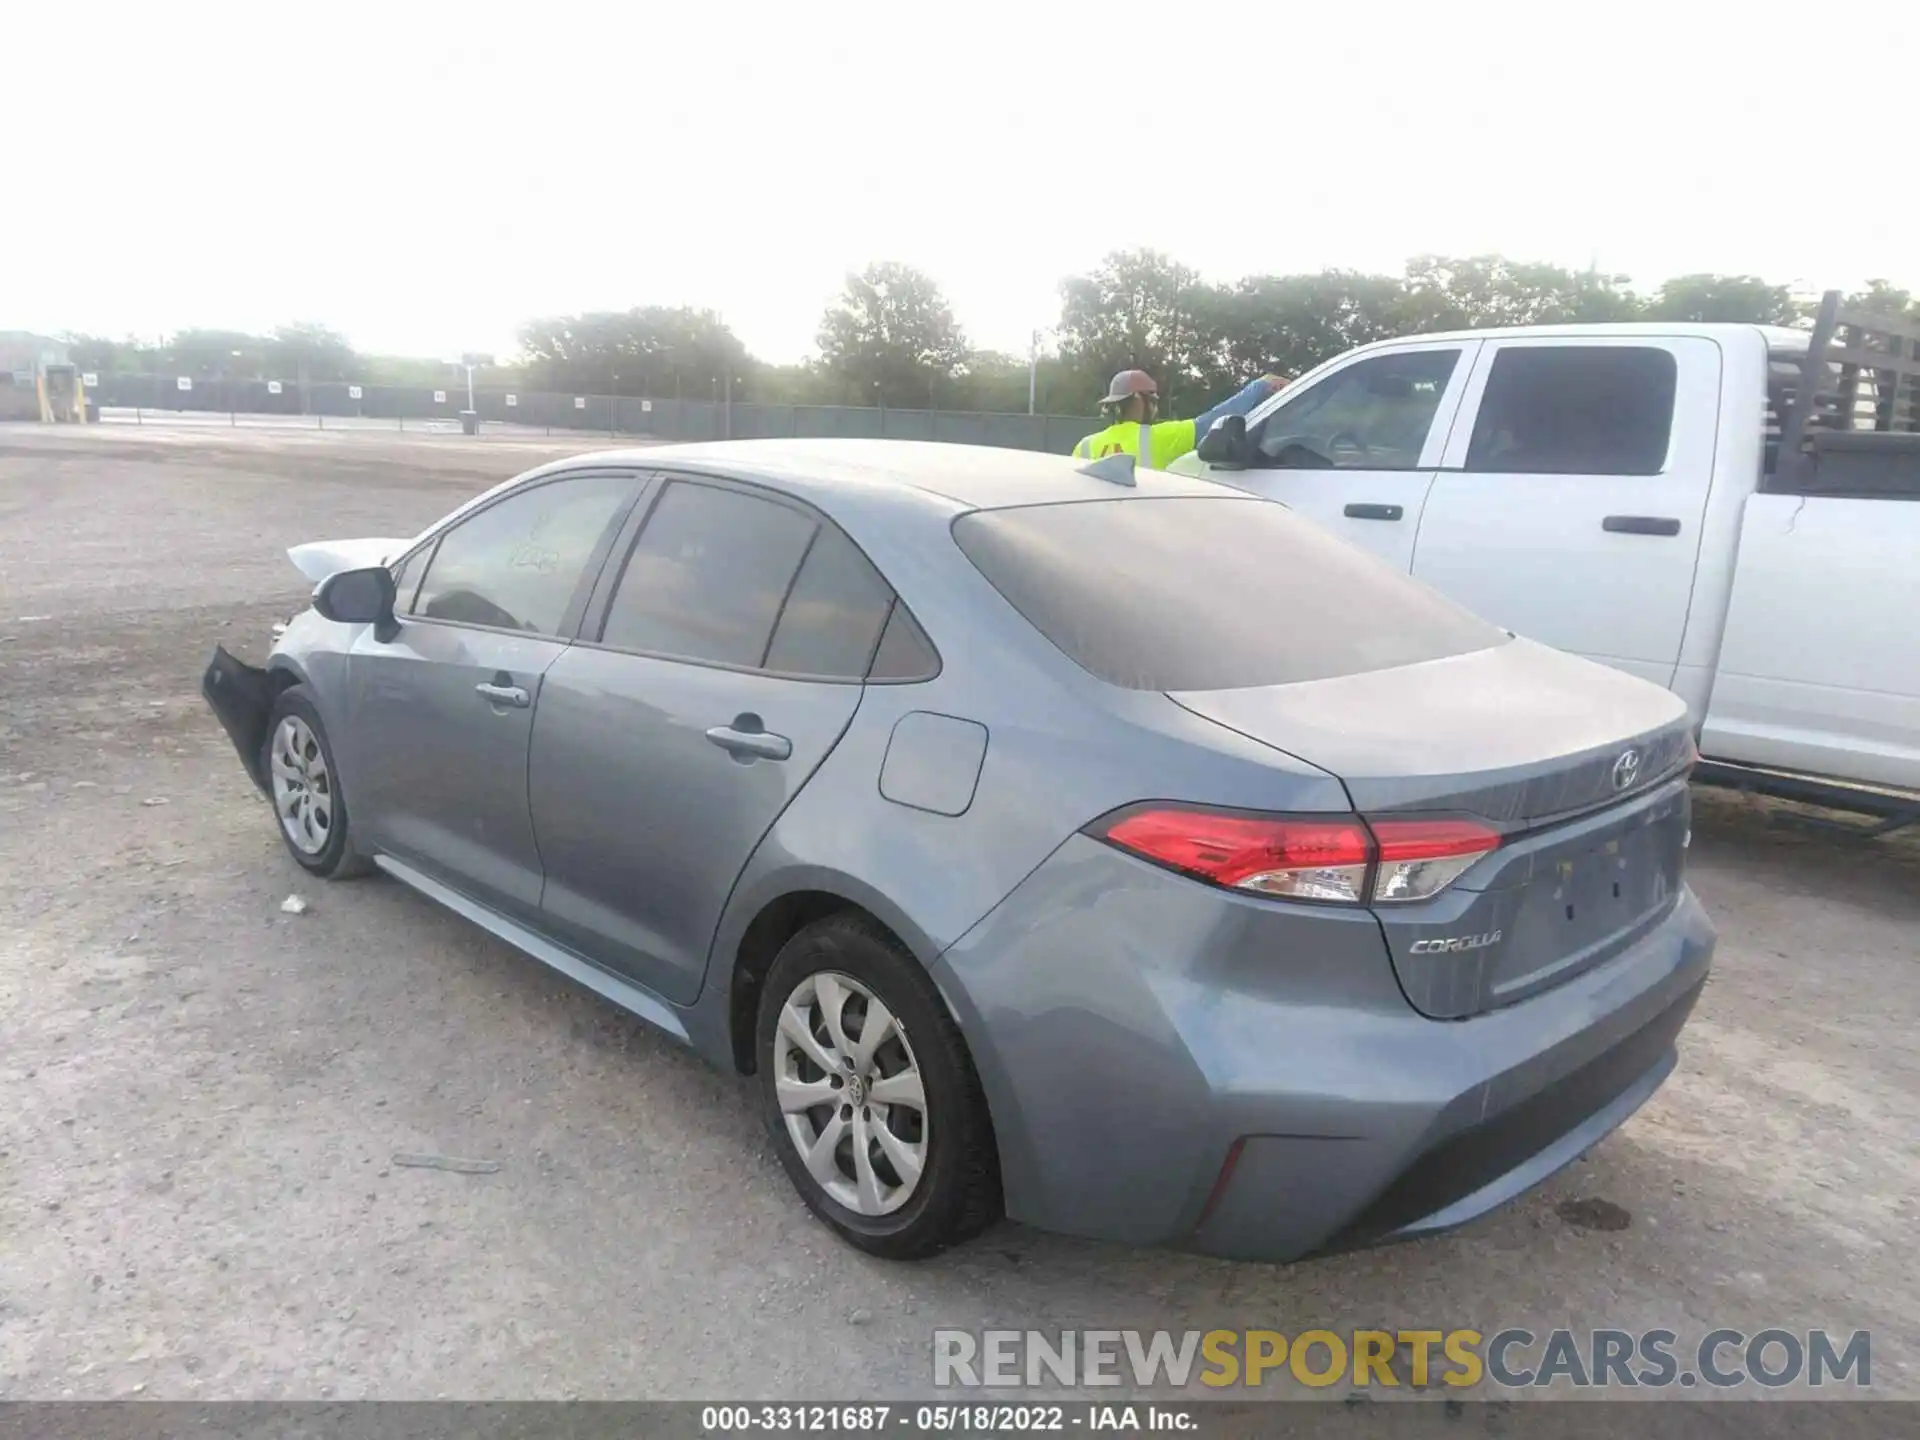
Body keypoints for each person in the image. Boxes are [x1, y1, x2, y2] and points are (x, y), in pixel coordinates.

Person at [1071, 370, 1290, 467]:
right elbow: (1212, 421)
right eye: (1154, 400)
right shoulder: (1159, 437)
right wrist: (1259, 386)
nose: (1156, 408)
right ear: (1139, 399)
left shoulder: (1085, 446)